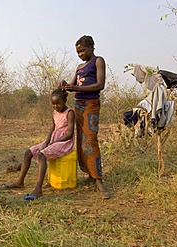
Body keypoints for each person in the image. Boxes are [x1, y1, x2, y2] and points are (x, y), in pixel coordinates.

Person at [60, 35, 110, 199]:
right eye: (78, 52)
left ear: (92, 48)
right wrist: (65, 86)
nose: (80, 54)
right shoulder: (79, 67)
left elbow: (100, 85)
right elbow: (72, 86)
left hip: (91, 104)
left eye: (82, 50)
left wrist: (74, 87)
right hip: (78, 105)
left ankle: (98, 179)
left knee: (91, 138)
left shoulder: (98, 61)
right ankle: (89, 174)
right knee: (81, 140)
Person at [0, 89, 75, 200]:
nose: (55, 106)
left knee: (41, 155)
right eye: (53, 104)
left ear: (65, 100)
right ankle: (20, 182)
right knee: (28, 152)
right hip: (53, 140)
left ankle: (38, 189)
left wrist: (55, 142)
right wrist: (47, 142)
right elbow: (52, 129)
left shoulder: (70, 113)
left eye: (58, 103)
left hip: (64, 142)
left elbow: (69, 134)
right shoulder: (54, 113)